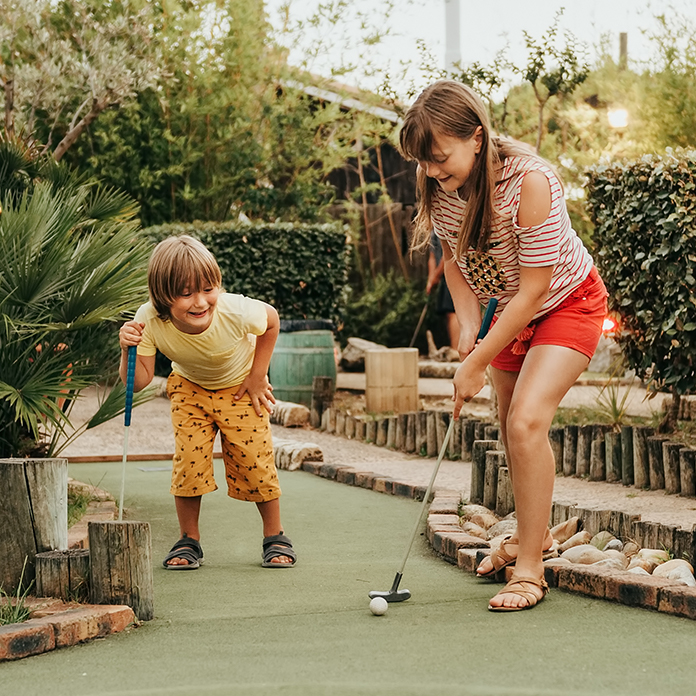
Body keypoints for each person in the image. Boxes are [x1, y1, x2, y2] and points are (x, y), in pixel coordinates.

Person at [399, 81, 607, 611]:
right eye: (424, 162)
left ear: (476, 136)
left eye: (440, 158)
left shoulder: (531, 183)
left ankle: (531, 570)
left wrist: (475, 360)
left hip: (565, 301)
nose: (432, 171)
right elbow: (454, 263)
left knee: (525, 422)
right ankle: (528, 538)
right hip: (507, 310)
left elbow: (537, 287)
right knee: (512, 429)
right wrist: (469, 326)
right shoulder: (441, 186)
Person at [118, 235, 296, 570]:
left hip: (241, 388)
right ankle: (189, 540)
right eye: (186, 294)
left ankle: (275, 536)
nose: (200, 302)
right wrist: (127, 348)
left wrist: (258, 376)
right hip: (189, 389)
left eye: (208, 289)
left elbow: (271, 320)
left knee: (255, 460)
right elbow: (138, 381)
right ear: (162, 296)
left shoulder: (234, 309)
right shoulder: (149, 319)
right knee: (189, 462)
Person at [427, 230, 460, 350]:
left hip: (454, 273)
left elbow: (447, 255)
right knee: (447, 311)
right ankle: (454, 348)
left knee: (453, 311)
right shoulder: (433, 232)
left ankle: (456, 350)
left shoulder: (445, 225)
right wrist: (430, 280)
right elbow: (432, 257)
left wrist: (436, 276)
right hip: (443, 276)